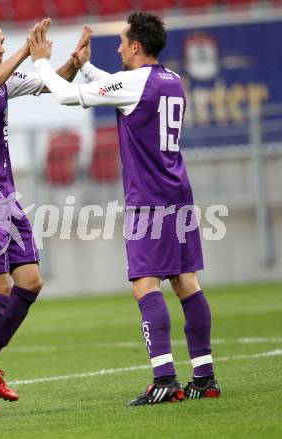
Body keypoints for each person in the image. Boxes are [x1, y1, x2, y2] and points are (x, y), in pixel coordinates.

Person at [29, 12, 221, 406]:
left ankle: (165, 378)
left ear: (135, 46)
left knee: (144, 284)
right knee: (187, 283)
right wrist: (85, 67)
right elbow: (119, 88)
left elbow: (68, 97)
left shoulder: (134, 82)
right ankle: (204, 376)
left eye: (121, 41)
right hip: (178, 192)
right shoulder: (172, 80)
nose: (117, 47)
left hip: (148, 199)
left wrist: (41, 63)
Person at [0, 14, 90, 412]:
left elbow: (48, 84)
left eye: (5, 41)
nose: (2, 48)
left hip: (6, 198)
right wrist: (26, 52)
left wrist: (73, 63)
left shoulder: (4, 78)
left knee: (31, 281)